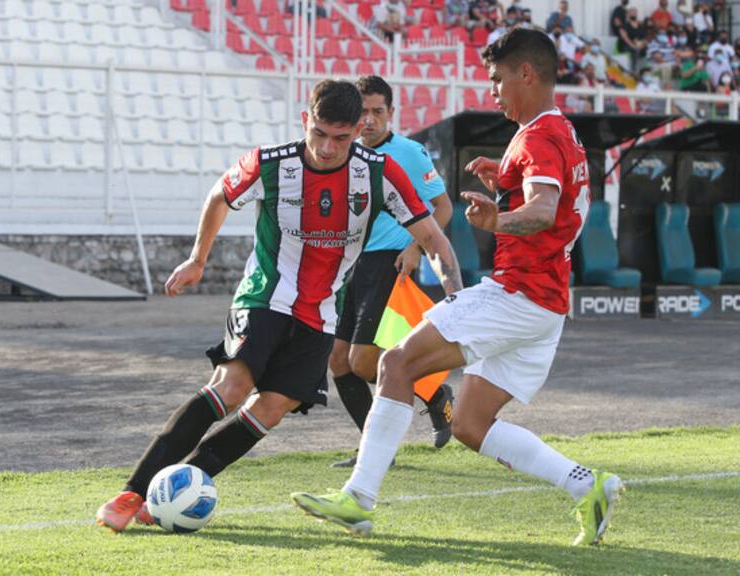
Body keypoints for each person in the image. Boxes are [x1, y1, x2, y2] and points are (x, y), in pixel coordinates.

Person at [291, 28, 624, 547]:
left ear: (526, 74)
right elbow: (546, 200)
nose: (492, 91)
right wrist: (506, 185)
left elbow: (542, 212)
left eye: (497, 79)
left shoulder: (537, 135)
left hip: (519, 294)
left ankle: (359, 498)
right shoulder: (559, 131)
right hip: (545, 303)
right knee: (470, 424)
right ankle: (589, 485)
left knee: (394, 363)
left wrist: (501, 218)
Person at [95, 79, 463, 533]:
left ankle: (177, 494)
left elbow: (433, 237)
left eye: (341, 138)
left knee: (269, 409)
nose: (329, 148)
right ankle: (133, 491)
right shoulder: (270, 163)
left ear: (357, 130)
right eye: (320, 134)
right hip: (266, 297)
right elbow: (219, 196)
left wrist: (455, 300)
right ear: (306, 121)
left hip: (322, 312)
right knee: (231, 388)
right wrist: (197, 258)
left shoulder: (379, 172)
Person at [329, 76, 454, 468]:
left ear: (391, 113)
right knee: (337, 361)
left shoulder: (410, 153)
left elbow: (444, 208)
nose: (368, 120)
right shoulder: (343, 152)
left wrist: (415, 246)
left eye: (377, 112)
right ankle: (374, 450)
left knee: (364, 362)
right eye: (362, 112)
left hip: (390, 261)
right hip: (349, 264)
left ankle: (435, 394)